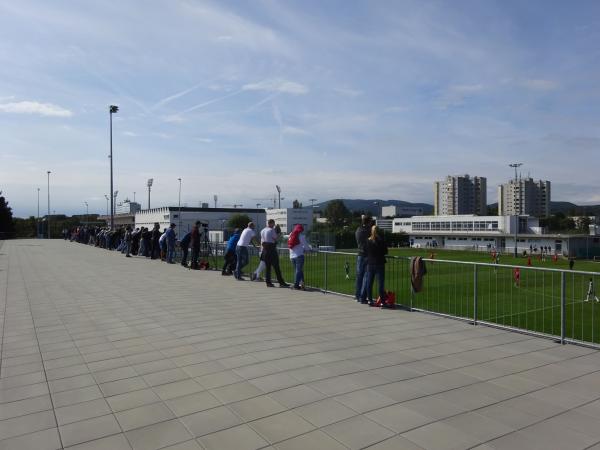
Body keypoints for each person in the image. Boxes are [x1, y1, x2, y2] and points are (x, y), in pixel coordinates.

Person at [365, 225, 388, 306]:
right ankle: (382, 301)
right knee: (380, 284)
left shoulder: (368, 240)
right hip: (379, 263)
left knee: (369, 283)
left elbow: (366, 251)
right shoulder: (381, 240)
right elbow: (385, 251)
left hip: (370, 263)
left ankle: (370, 300)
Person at [261, 219, 288, 287]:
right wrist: (279, 233)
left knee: (268, 268)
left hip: (265, 249)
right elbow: (276, 238)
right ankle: (281, 282)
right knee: (276, 267)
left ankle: (268, 282)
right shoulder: (271, 230)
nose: (274, 225)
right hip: (271, 249)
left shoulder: (263, 230)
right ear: (271, 223)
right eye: (273, 224)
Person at [288, 224, 311, 290]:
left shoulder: (291, 234)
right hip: (299, 255)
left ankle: (302, 284)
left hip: (291, 256)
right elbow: (306, 247)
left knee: (298, 271)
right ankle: (296, 285)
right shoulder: (301, 236)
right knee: (298, 271)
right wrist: (309, 249)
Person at [355, 215, 371, 302]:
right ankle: (362, 297)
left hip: (359, 255)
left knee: (359, 276)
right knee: (365, 276)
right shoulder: (368, 231)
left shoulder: (358, 229)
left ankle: (357, 296)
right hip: (367, 255)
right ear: (368, 222)